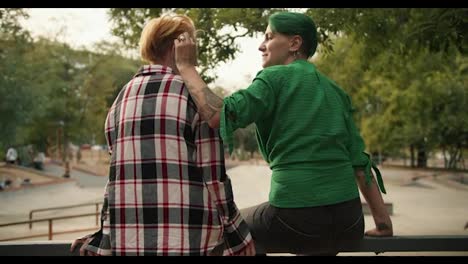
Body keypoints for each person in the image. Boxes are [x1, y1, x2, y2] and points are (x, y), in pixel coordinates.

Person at [174, 11, 393, 255]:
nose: (261, 46)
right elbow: (360, 163)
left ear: (294, 43)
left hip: (296, 218)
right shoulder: (336, 92)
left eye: (269, 37)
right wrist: (383, 224)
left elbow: (216, 114)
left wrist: (186, 66)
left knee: (232, 228)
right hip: (350, 221)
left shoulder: (273, 78)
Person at [70, 13, 255, 256]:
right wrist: (237, 236)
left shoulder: (120, 100)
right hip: (191, 239)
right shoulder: (194, 98)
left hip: (130, 242)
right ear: (180, 44)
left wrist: (101, 236)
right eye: (193, 41)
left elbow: (115, 181)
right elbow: (214, 179)